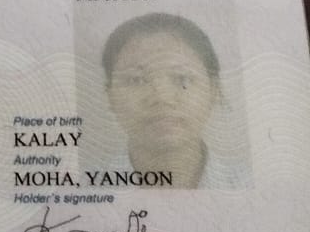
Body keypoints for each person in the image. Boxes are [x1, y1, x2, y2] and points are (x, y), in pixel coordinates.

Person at [101, 11, 247, 189]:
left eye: (182, 78)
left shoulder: (249, 185)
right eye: (136, 80)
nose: (162, 98)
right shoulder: (88, 189)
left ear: (213, 91)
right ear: (110, 97)